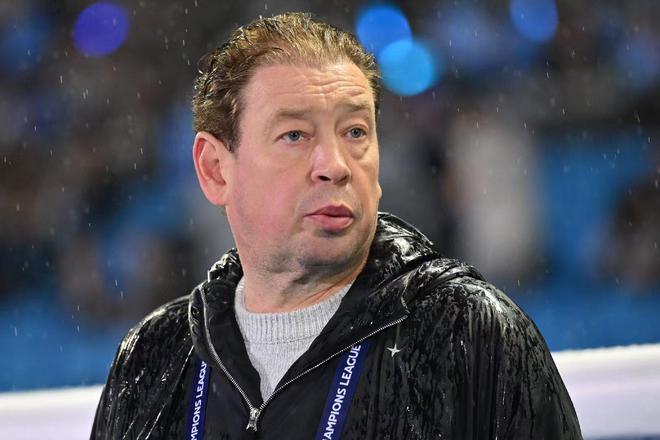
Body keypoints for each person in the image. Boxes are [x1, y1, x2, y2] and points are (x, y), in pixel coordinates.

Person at [91, 12, 582, 439]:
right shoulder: (153, 357)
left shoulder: (470, 333)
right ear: (216, 170)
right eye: (295, 135)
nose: (336, 165)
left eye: (355, 132)